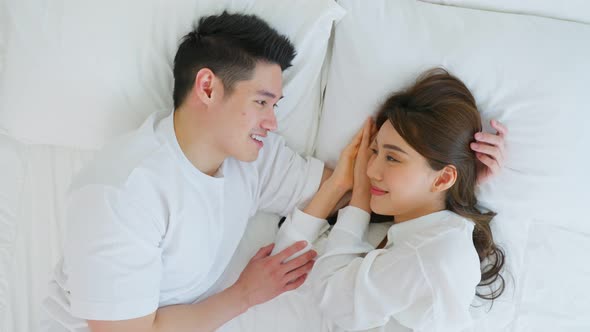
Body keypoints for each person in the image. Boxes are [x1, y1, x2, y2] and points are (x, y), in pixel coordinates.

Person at [42, 12, 327, 332]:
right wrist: (245, 294)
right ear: (207, 88)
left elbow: (335, 189)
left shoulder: (251, 157)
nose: (272, 122)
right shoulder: (122, 192)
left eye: (274, 106)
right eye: (262, 102)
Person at [270, 68, 507, 331]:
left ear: (441, 179)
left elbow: (331, 299)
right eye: (373, 151)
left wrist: (359, 195)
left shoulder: (431, 254)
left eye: (392, 158)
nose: (370, 170)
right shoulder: (412, 237)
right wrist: (339, 185)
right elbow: (284, 270)